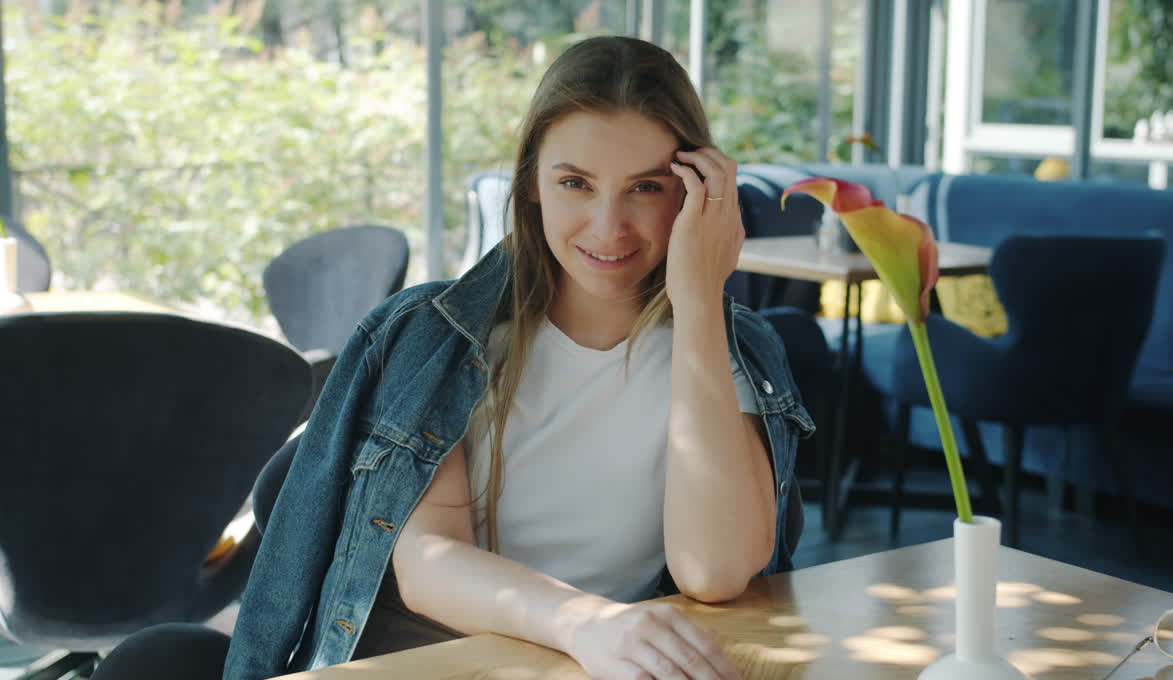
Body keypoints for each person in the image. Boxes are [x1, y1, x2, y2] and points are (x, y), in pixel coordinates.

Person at [93, 35, 813, 680]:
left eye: (646, 188)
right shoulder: (438, 336)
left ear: (696, 193)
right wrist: (587, 623)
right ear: (531, 184)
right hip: (420, 657)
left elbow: (714, 572)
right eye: (575, 183)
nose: (608, 226)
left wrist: (698, 301)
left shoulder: (732, 353)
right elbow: (428, 566)